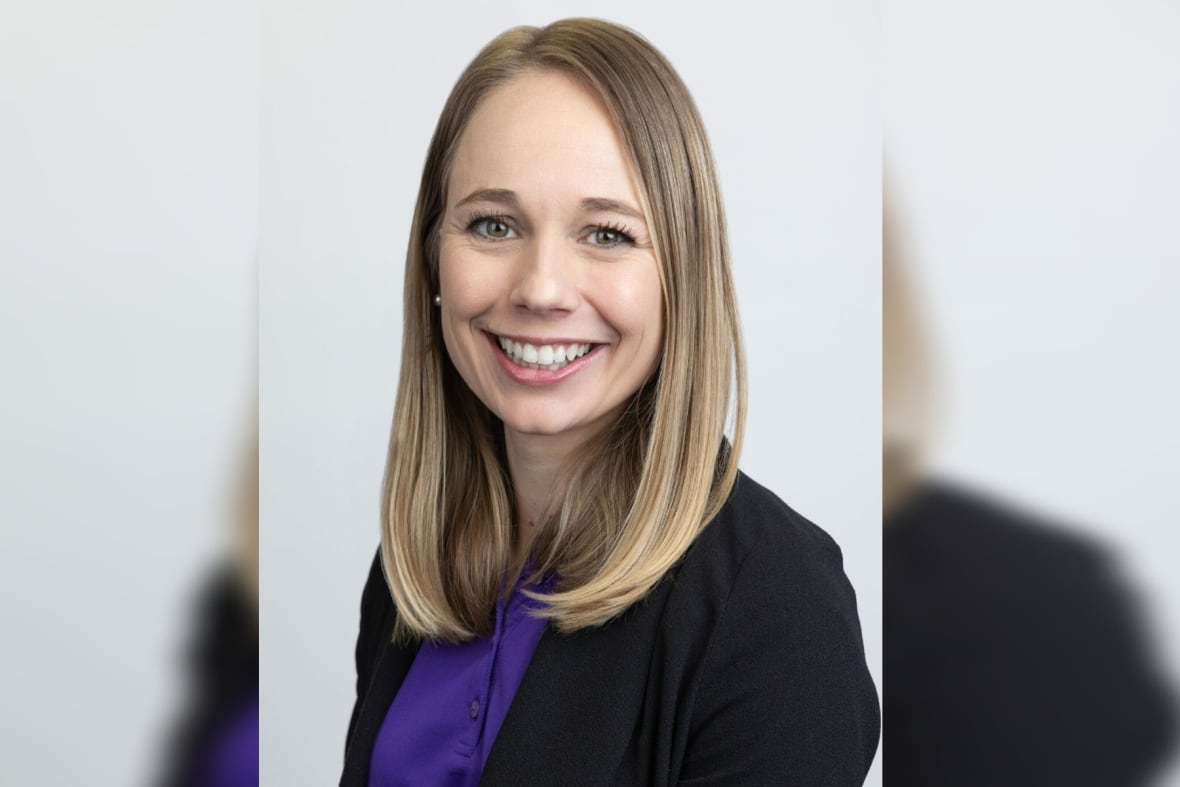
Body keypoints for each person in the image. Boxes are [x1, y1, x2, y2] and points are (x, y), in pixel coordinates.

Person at [343, 19, 879, 786]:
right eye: (493, 224)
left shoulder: (776, 608)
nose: (541, 289)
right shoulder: (417, 560)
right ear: (433, 255)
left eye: (606, 233)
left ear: (680, 278)